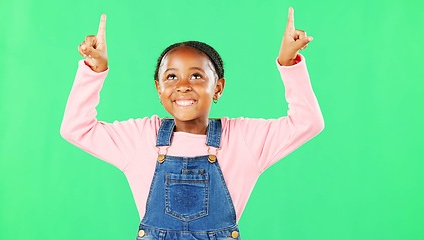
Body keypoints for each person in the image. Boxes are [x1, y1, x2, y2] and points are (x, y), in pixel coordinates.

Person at [61, 7, 324, 240]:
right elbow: (76, 128)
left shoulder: (243, 139)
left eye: (197, 76)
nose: (183, 86)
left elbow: (307, 122)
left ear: (218, 87)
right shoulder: (141, 138)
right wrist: (94, 70)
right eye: (171, 76)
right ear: (158, 89)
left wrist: (289, 64)